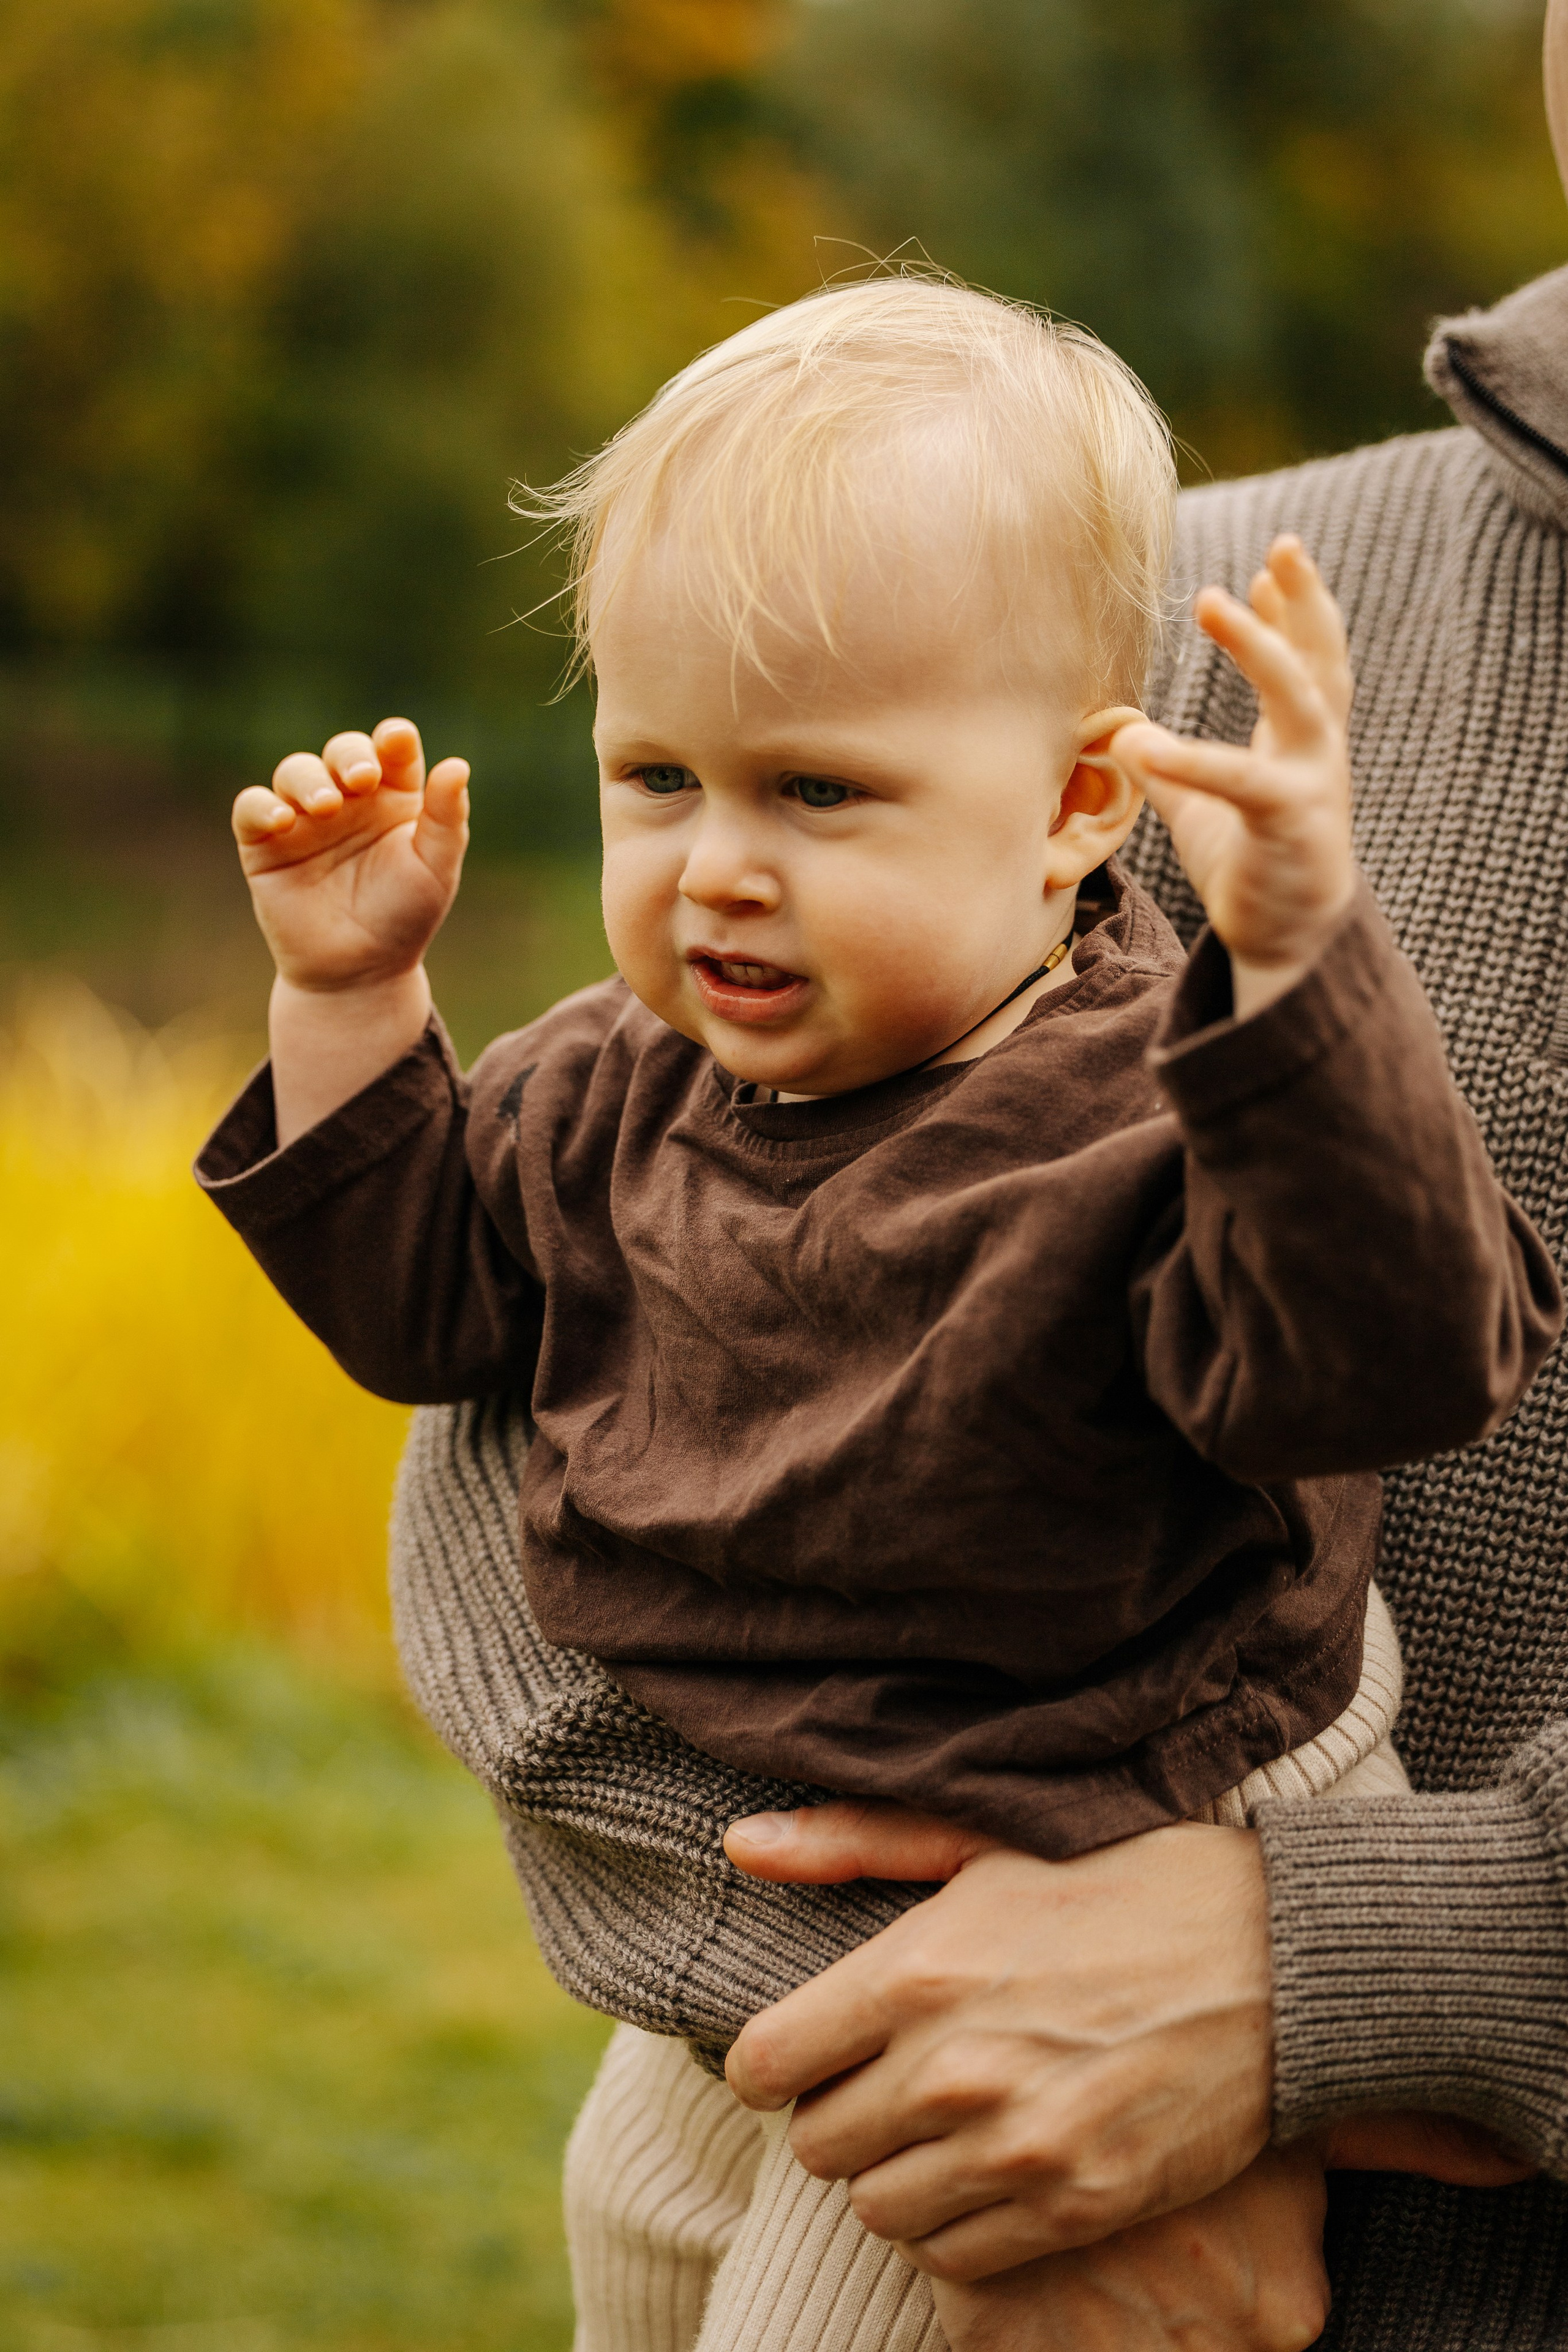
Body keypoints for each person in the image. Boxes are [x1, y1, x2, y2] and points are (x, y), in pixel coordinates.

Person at [196, 277, 1559, 2352]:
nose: (718, 870)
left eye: (817, 796)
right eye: (662, 777)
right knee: (637, 2254)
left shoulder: (1135, 1124)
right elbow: (434, 1322)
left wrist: (1303, 989)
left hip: (1110, 1825)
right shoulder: (605, 1087)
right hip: (795, 1879)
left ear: (1084, 808)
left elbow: (1388, 1363)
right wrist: (351, 1004)